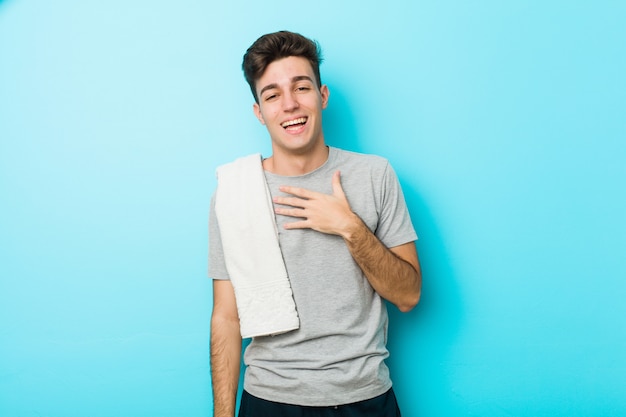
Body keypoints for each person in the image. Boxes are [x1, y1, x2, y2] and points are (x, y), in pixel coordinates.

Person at [209, 30, 422, 417]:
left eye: (301, 88)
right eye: (272, 95)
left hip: (366, 397)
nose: (289, 105)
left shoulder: (374, 175)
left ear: (322, 96)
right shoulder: (235, 191)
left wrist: (351, 228)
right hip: (270, 400)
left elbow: (408, 296)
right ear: (259, 112)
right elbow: (226, 316)